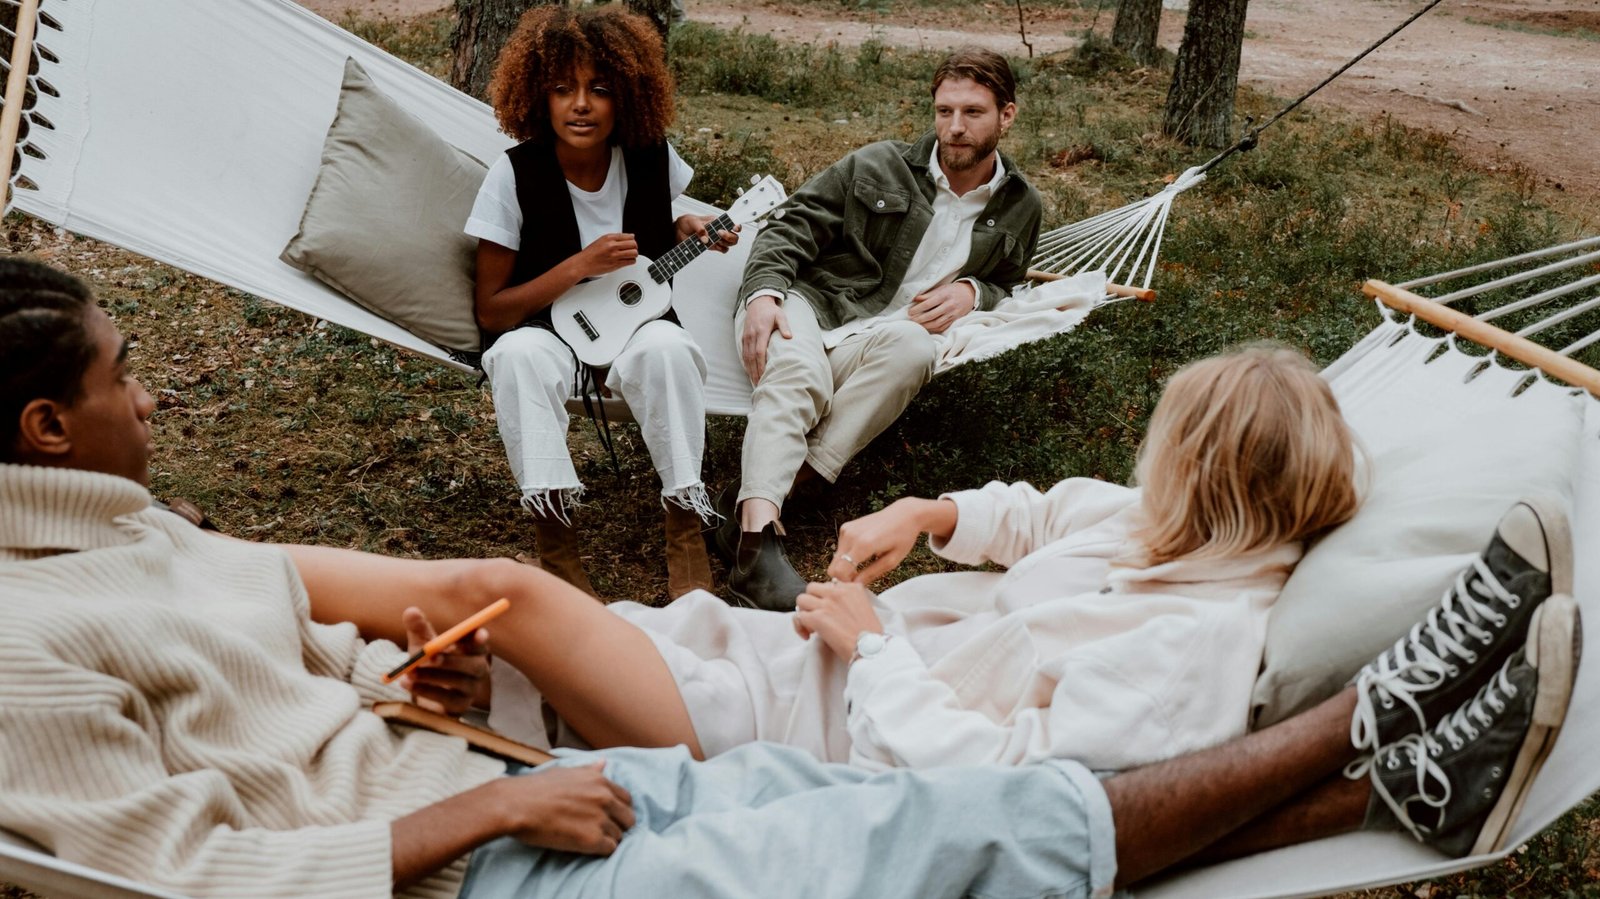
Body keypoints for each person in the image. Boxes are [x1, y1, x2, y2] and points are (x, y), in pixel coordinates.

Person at [0, 257, 1581, 897]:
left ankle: (1388, 768)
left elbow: (266, 686)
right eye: (132, 374)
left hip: (523, 775)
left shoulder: (145, 531)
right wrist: (476, 806)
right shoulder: (19, 646)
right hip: (469, 853)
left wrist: (395, 677)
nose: (161, 398)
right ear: (46, 425)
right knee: (923, 831)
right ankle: (1372, 739)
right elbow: (176, 877)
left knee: (905, 827)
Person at [393, 345, 1362, 775]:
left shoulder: (1192, 646)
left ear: (1197, 475)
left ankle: (247, 575)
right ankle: (495, 690)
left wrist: (870, 650)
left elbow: (1008, 776)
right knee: (558, 634)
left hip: (801, 735)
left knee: (509, 591)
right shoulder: (1173, 532)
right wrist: (932, 508)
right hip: (780, 654)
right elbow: (1050, 512)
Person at [716, 46, 1045, 611]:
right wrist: (764, 295)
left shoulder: (1021, 205)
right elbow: (787, 228)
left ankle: (771, 497)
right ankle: (757, 545)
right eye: (944, 111)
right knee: (796, 368)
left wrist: (973, 291)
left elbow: (1009, 281)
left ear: (1006, 116)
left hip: (879, 340)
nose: (955, 128)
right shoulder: (877, 165)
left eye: (972, 113)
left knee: (918, 349)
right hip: (815, 308)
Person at [464, 5, 733, 599]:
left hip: (635, 329)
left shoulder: (649, 158)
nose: (580, 104)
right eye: (563, 89)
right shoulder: (513, 177)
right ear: (539, 96)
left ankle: (685, 529)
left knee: (669, 349)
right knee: (517, 359)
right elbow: (493, 310)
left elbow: (653, 221)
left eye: (599, 89)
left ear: (628, 97)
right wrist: (577, 267)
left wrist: (683, 223)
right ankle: (556, 544)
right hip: (542, 329)